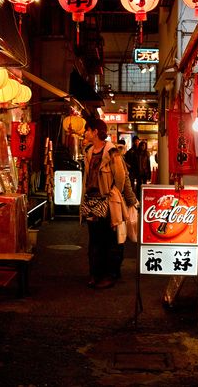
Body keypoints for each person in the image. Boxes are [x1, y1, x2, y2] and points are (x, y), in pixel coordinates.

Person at [81, 118, 128, 289]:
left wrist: (113, 195)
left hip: (107, 201)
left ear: (95, 132)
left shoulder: (112, 152)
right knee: (94, 239)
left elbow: (121, 178)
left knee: (109, 239)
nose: (85, 133)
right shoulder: (89, 151)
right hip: (91, 201)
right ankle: (95, 273)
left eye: (87, 130)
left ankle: (110, 275)